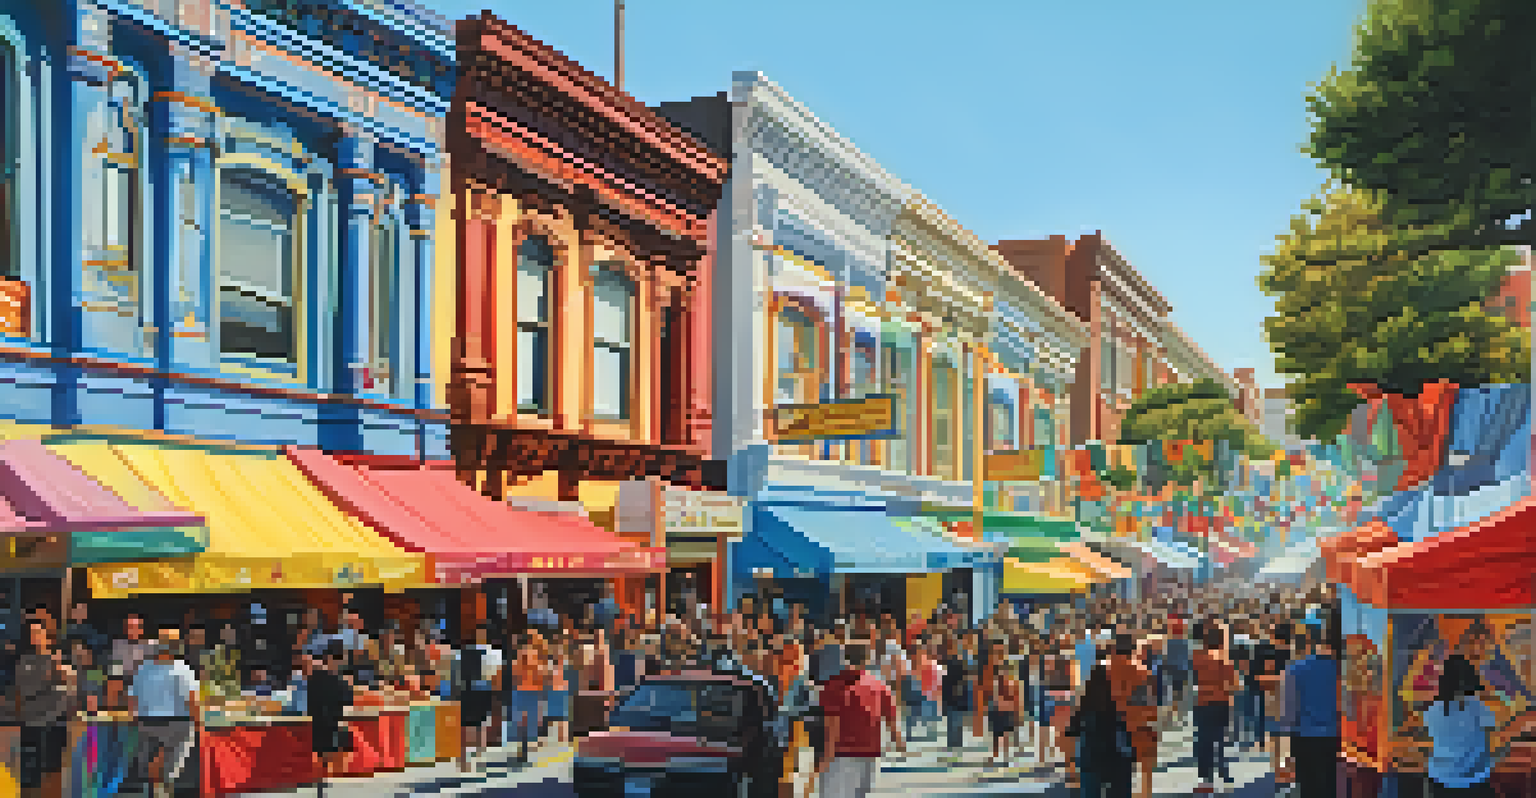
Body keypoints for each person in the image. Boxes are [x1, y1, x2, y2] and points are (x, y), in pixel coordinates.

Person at [816, 642, 902, 798]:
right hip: (870, 754)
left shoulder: (831, 687)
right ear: (868, 658)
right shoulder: (880, 686)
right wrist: (899, 744)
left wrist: (825, 758)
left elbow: (832, 725)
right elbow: (893, 725)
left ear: (844, 657)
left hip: (840, 755)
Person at [129, 630, 200, 798]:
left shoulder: (142, 669)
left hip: (146, 724)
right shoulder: (183, 669)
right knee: (167, 773)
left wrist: (136, 721)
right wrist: (198, 723)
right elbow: (193, 701)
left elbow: (132, 700)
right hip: (176, 725)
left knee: (151, 772)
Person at [1423, 654, 1498, 797]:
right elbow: (1495, 732)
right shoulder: (1478, 707)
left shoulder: (1432, 710)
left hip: (1441, 782)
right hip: (1474, 782)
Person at [1280, 624, 1341, 798]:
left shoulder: (1295, 669)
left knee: (1309, 787)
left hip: (1305, 738)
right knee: (1332, 787)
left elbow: (1289, 714)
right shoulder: (1343, 672)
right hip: (1336, 739)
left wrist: (1285, 751)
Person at [15, 614, 70, 798]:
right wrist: (50, 682)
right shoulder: (25, 661)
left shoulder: (58, 658)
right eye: (32, 633)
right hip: (32, 721)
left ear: (48, 635)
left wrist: (57, 676)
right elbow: (26, 689)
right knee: (31, 775)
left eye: (38, 633)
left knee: (54, 771)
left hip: (54, 721)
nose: (35, 637)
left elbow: (66, 687)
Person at [1064, 663, 1134, 798]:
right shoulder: (1117, 704)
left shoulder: (1087, 703)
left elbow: (1073, 727)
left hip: (1092, 757)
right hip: (1116, 758)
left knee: (1090, 790)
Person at [1106, 634, 1157, 798]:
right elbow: (1146, 701)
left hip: (1111, 724)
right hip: (1138, 723)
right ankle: (1145, 794)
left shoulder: (1104, 671)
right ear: (1134, 650)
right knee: (1145, 767)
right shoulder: (1142, 671)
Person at [1191, 620, 1238, 794]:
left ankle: (1205, 775)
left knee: (1204, 739)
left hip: (1202, 702)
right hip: (1221, 702)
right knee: (1221, 738)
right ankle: (1224, 772)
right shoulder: (1224, 660)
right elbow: (1233, 684)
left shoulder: (1197, 656)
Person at [308, 642, 353, 797]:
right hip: (327, 723)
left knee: (324, 757)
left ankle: (323, 784)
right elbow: (348, 701)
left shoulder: (318, 678)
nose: (341, 661)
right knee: (325, 756)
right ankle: (323, 784)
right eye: (339, 658)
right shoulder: (337, 680)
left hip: (324, 723)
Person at [456, 624, 503, 771]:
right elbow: (459, 673)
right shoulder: (465, 652)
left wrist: (496, 693)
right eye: (478, 633)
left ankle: (479, 758)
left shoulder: (494, 653)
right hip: (468, 691)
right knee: (466, 726)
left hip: (484, 692)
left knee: (481, 726)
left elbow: (497, 676)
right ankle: (464, 759)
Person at [506, 631, 547, 762]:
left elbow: (515, 674)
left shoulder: (521, 655)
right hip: (531, 691)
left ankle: (524, 749)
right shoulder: (534, 657)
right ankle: (526, 748)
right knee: (529, 722)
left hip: (523, 691)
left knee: (522, 723)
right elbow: (539, 675)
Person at [940, 637, 973, 760]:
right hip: (954, 700)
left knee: (956, 725)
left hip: (957, 700)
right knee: (955, 725)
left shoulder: (962, 664)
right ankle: (954, 750)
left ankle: (955, 750)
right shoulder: (953, 664)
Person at [988, 660, 1023, 766]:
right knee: (996, 735)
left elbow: (1016, 701)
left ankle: (1005, 757)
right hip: (997, 711)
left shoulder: (1013, 684)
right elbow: (994, 699)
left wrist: (1016, 712)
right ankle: (995, 755)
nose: (1004, 673)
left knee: (1006, 735)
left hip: (1007, 712)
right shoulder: (995, 683)